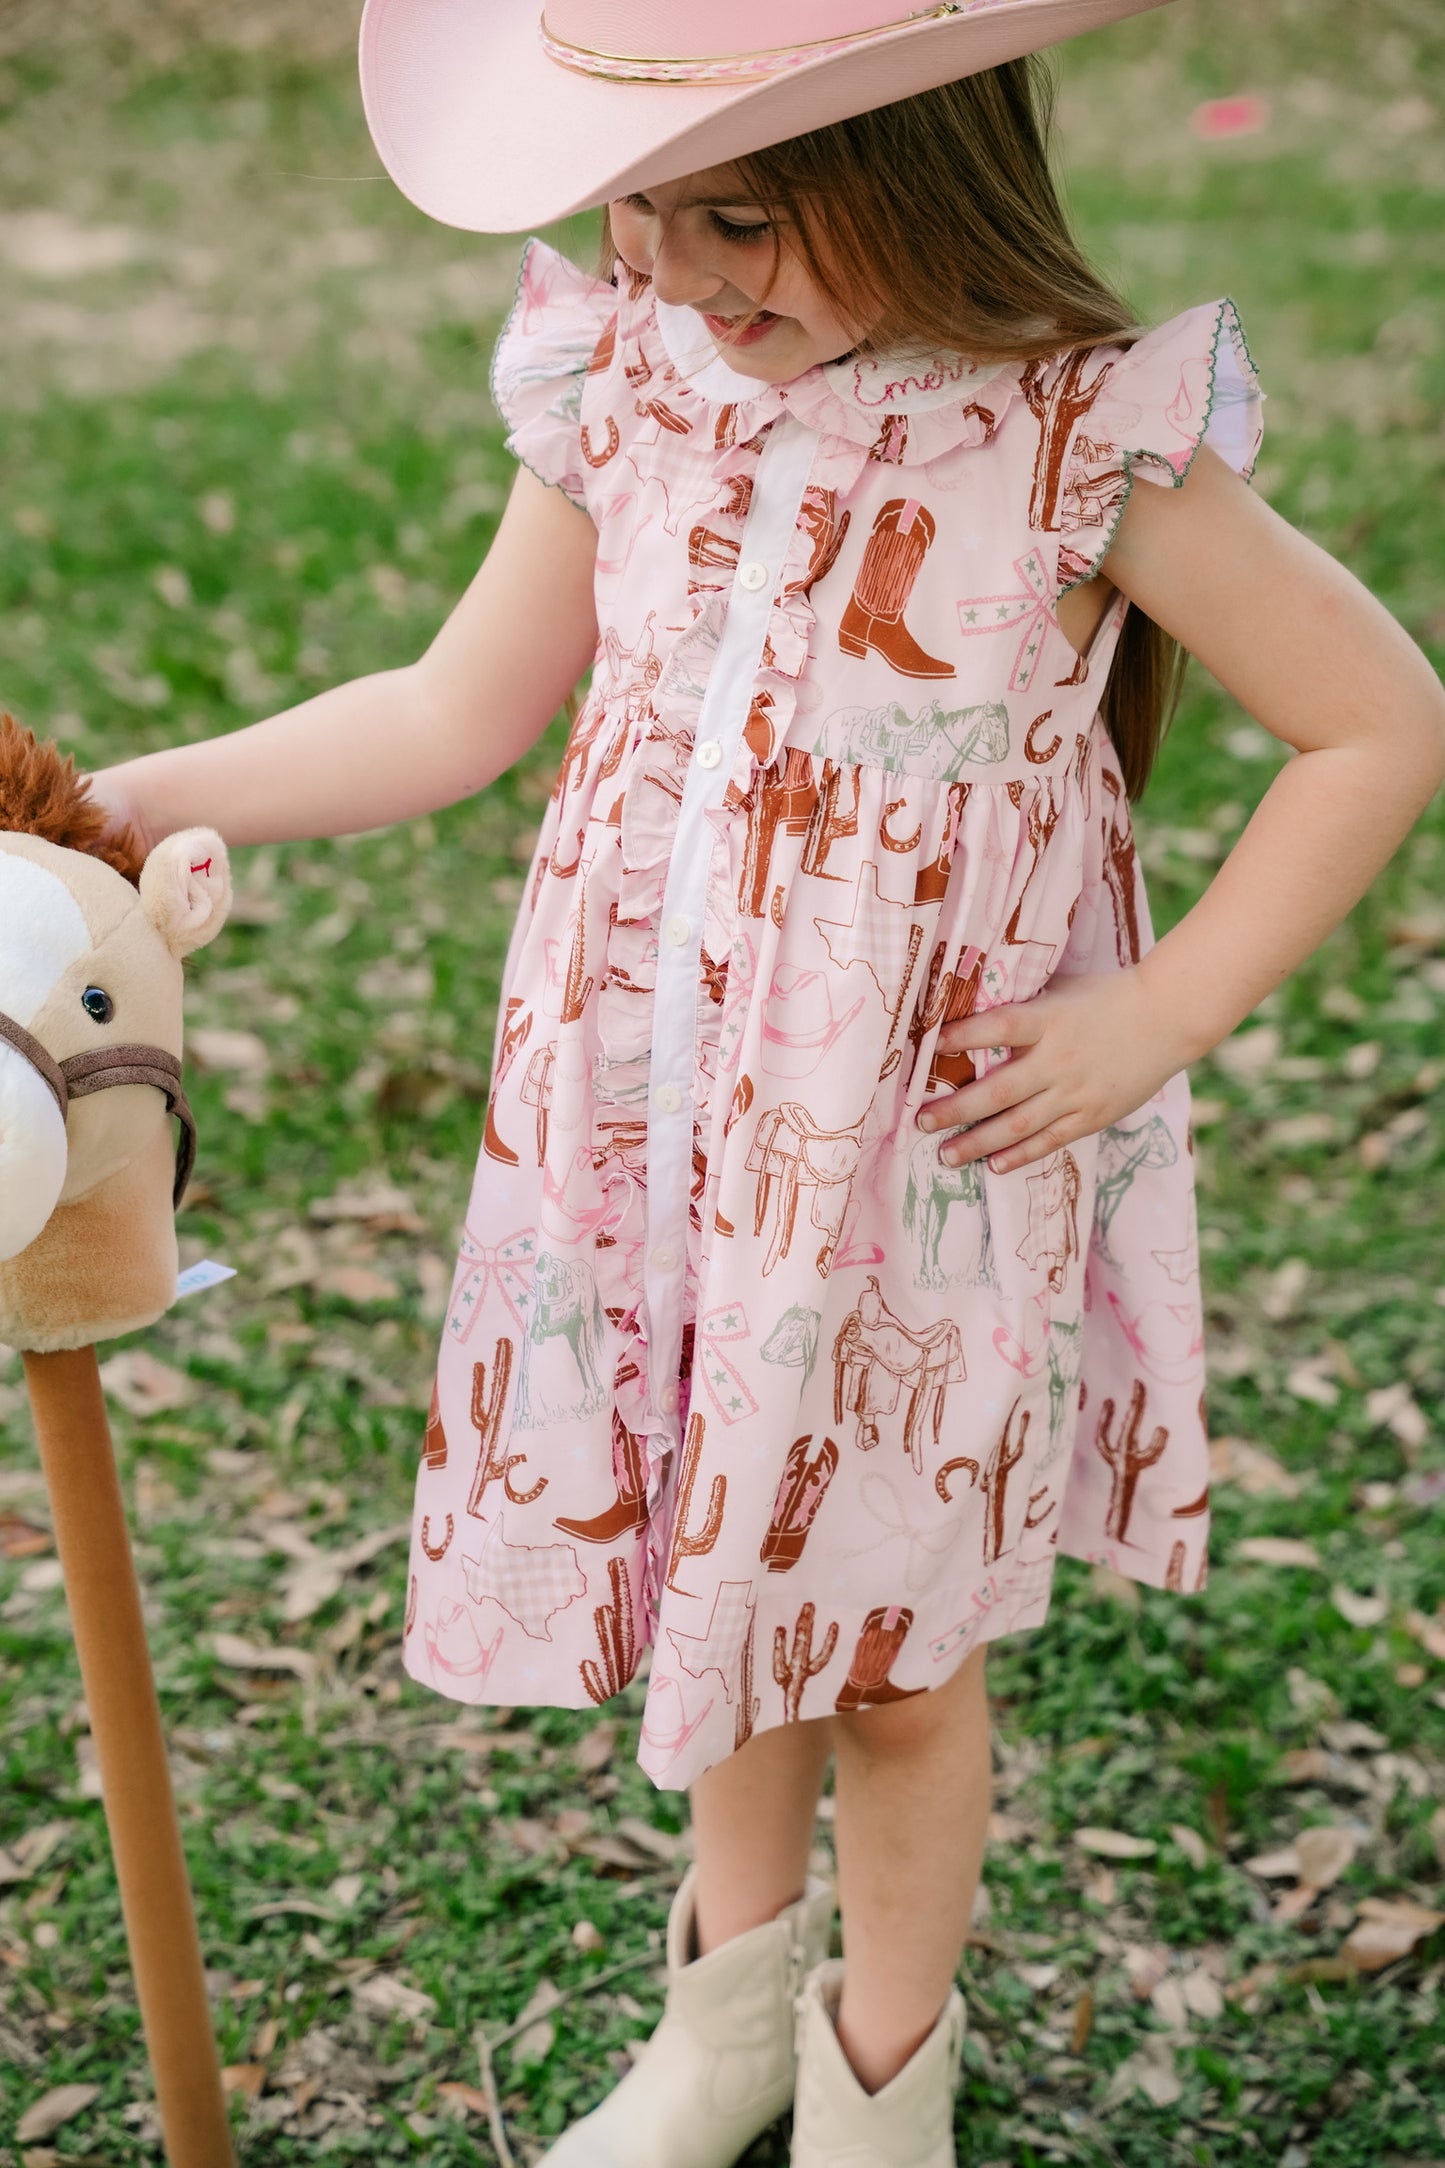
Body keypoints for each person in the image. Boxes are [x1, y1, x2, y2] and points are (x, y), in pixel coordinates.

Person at [90, 3, 1445, 2161]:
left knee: (886, 1652)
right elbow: (452, 707)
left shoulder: (1072, 431)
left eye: (739, 216)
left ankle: (882, 2084)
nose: (682, 272)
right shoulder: (632, 383)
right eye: (643, 209)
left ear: (920, 168)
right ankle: (719, 2033)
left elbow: (1376, 721)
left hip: (908, 1167)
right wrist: (124, 794)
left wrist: (1156, 1015)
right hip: (653, 1134)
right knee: (721, 1582)